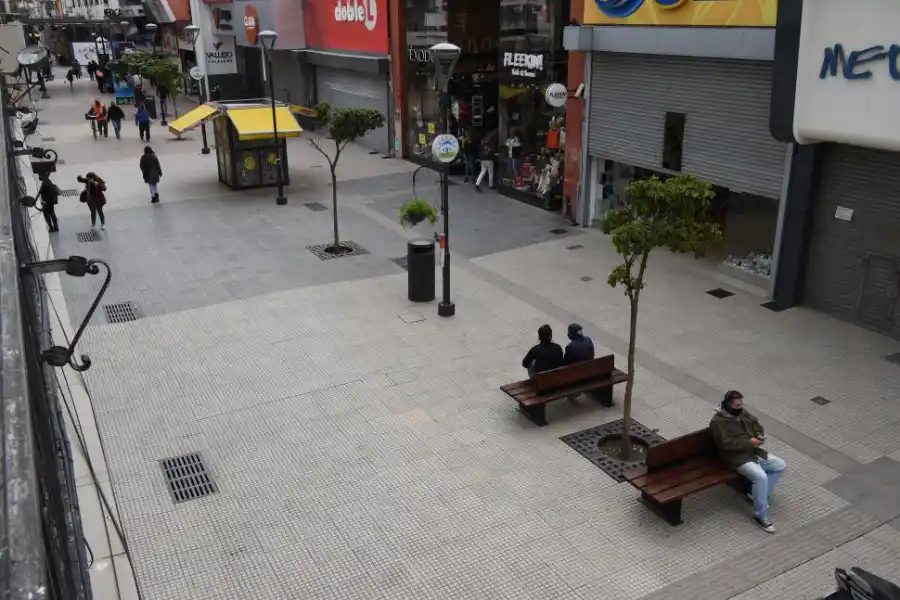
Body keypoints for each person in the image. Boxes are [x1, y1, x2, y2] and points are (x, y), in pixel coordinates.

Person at [710, 390, 787, 533]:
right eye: (737, 405)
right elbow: (726, 445)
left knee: (780, 465)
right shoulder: (718, 422)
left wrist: (759, 436)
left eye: (741, 404)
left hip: (754, 453)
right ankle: (760, 515)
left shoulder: (742, 413)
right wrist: (748, 442)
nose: (740, 407)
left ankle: (757, 495)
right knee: (760, 476)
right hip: (736, 458)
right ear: (728, 404)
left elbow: (757, 425)